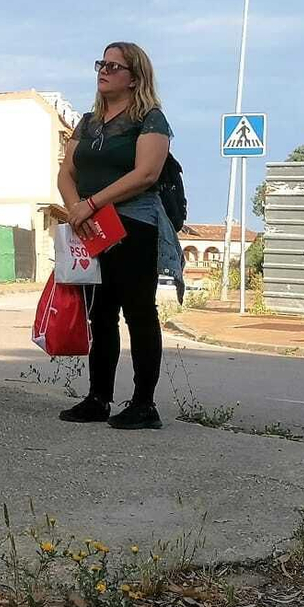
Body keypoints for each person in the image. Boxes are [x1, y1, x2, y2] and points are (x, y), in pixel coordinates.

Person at [55, 41, 182, 430]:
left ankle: (144, 404)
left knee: (139, 311)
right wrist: (77, 209)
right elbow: (66, 172)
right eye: (101, 63)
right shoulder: (89, 121)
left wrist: (90, 204)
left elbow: (145, 173)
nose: (104, 71)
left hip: (133, 226)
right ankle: (98, 398)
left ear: (134, 78)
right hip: (91, 227)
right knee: (101, 314)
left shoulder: (150, 119)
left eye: (114, 66)